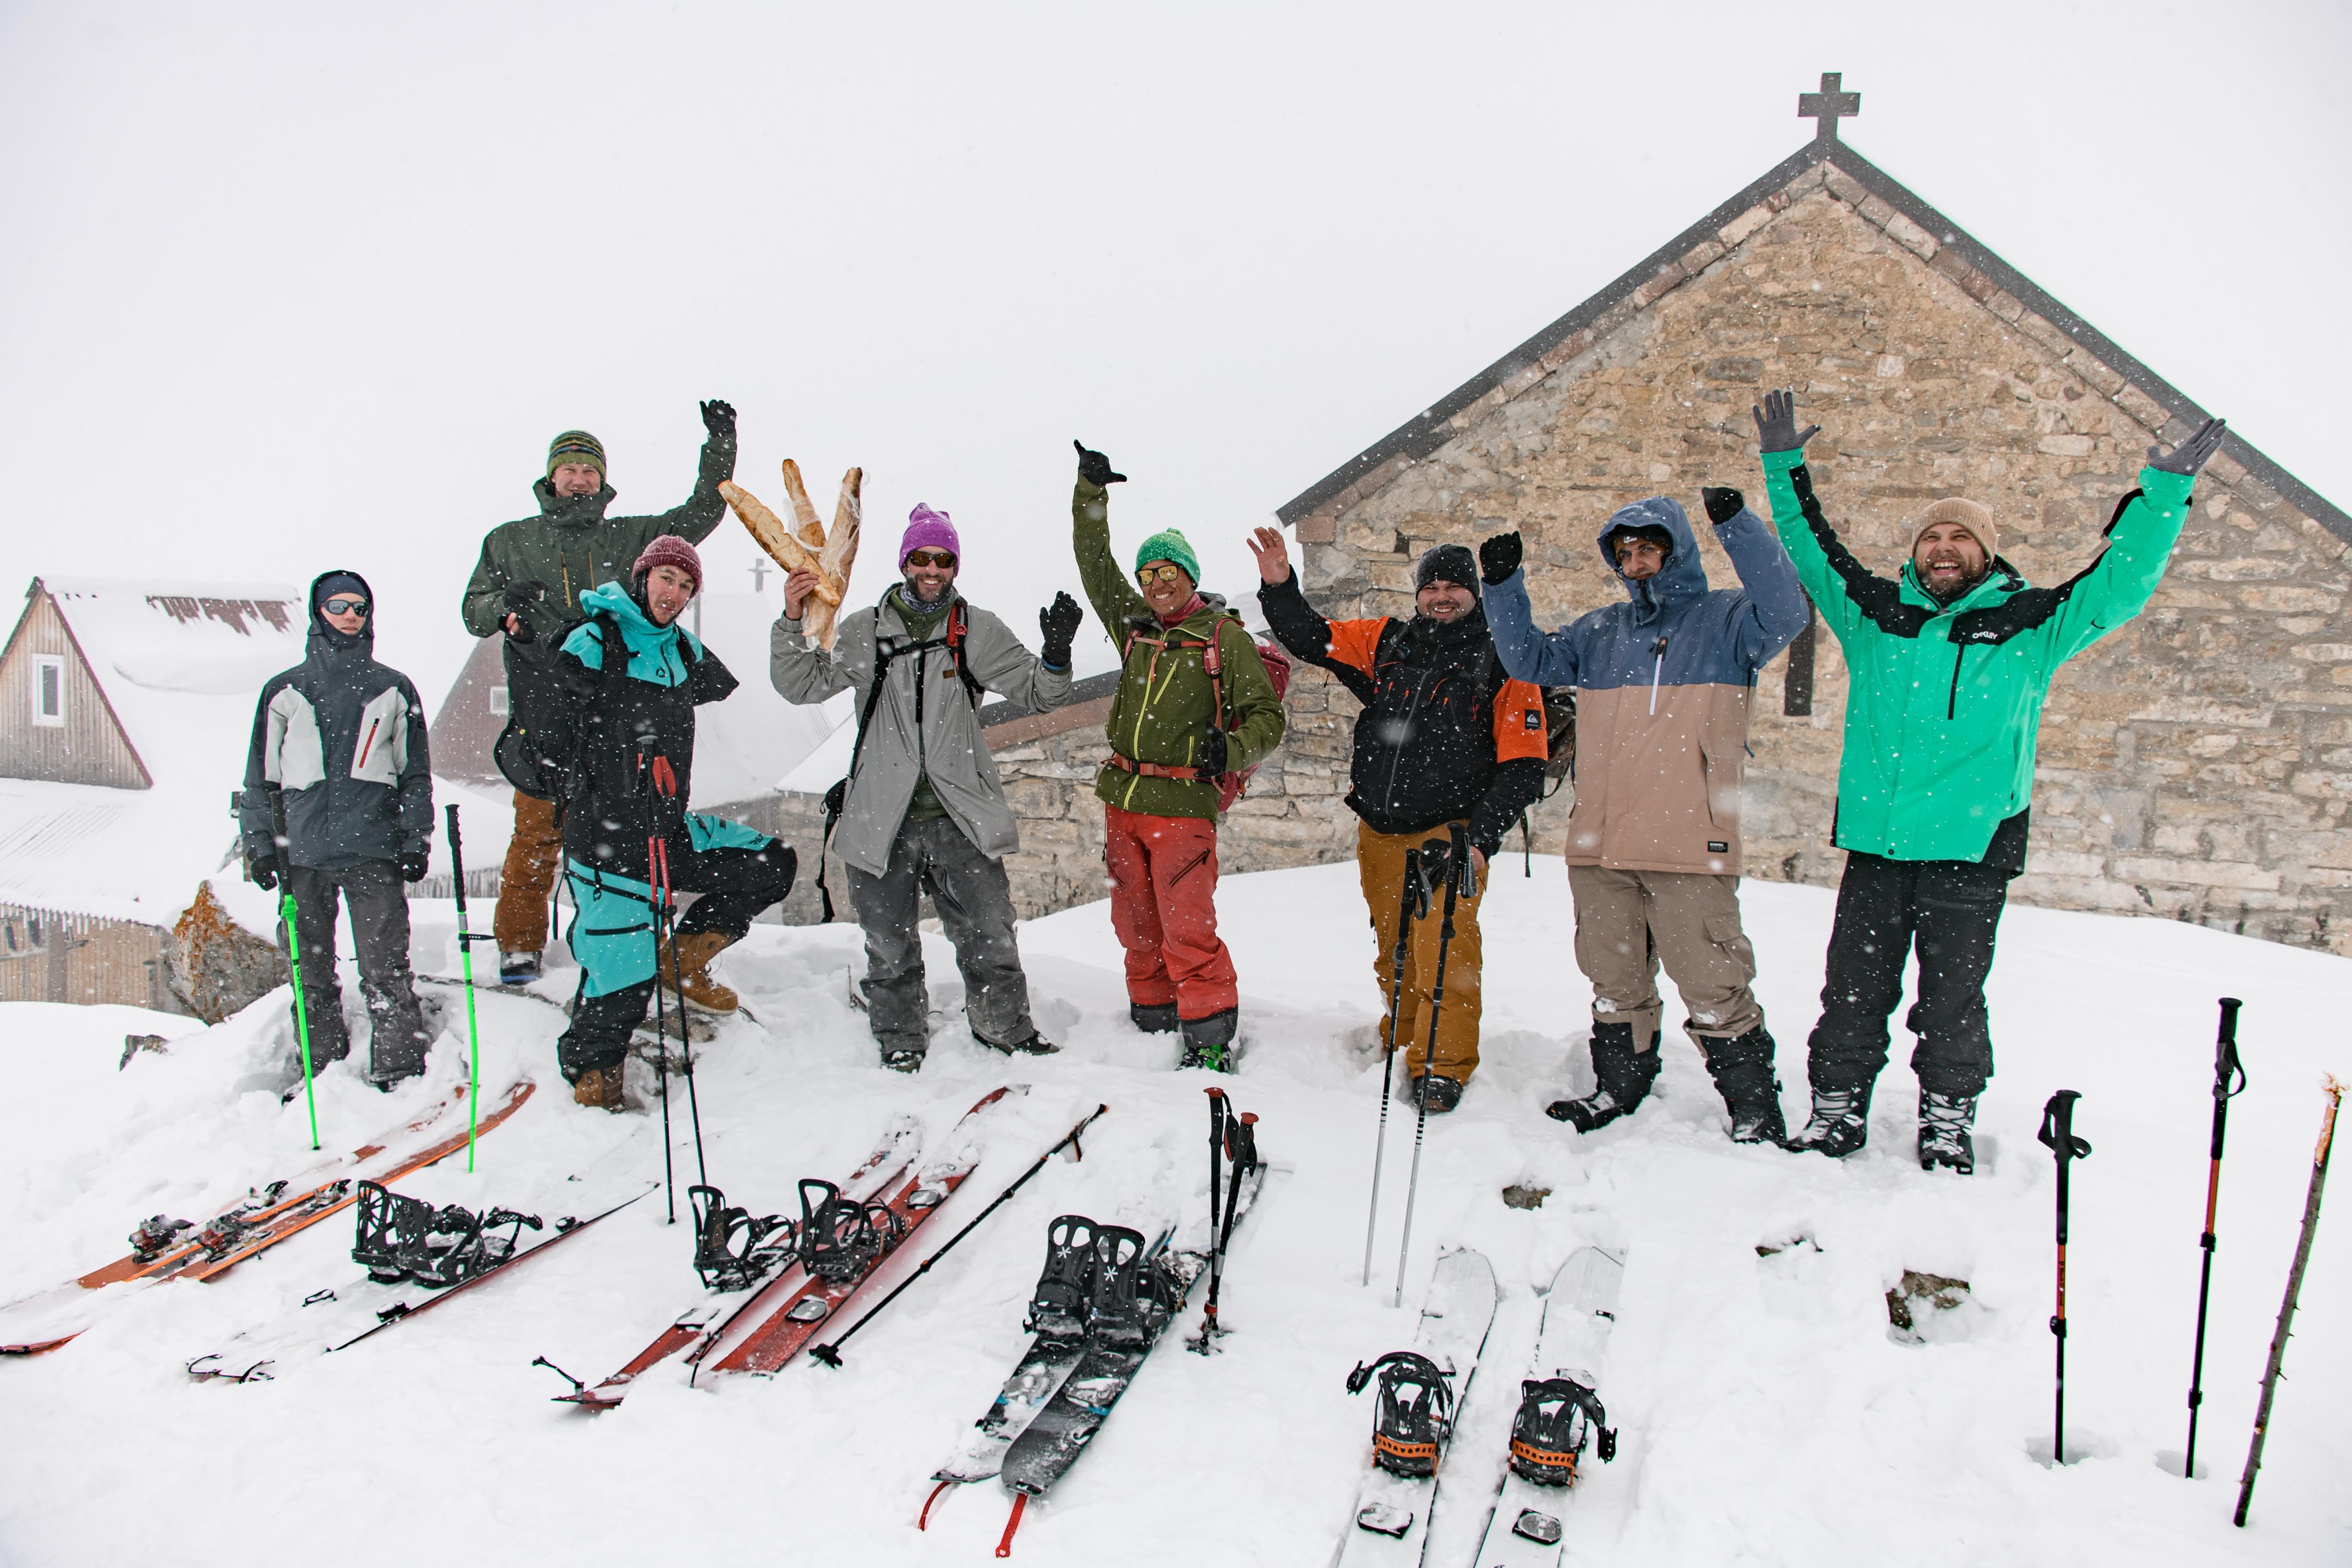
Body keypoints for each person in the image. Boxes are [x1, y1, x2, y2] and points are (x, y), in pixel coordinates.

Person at [1752, 389, 2226, 1172]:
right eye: (1931, 535)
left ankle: (1945, 1120)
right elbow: (1811, 548)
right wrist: (1782, 465)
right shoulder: (1875, 614)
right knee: (1851, 996)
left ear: (1986, 553)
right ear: (1914, 553)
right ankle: (1833, 1111)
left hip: (1969, 852)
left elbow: (2120, 584)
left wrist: (2161, 493)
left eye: (1960, 537)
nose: (1943, 546)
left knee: (1949, 1005)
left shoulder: (2030, 623)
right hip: (1875, 845)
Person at [1479, 485, 1809, 1142]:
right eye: (1623, 550)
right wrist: (1503, 586)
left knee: (1713, 980)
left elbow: (1787, 609)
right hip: (1601, 846)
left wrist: (1736, 526)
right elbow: (1527, 659)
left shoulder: (1727, 623)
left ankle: (1752, 1105)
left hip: (1689, 844)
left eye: (1647, 546)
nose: (1634, 559)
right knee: (1613, 978)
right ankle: (1616, 1087)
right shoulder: (1600, 631)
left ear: (1675, 550)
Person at [770, 505, 1084, 1071]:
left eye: (943, 559)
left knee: (990, 935)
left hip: (957, 814)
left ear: (954, 565)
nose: (932, 569)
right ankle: (899, 1036)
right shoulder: (864, 628)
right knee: (888, 944)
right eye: (921, 558)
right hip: (880, 816)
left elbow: (1042, 696)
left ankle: (1004, 1028)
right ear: (905, 562)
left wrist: (1057, 654)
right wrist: (792, 620)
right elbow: (801, 684)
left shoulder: (976, 629)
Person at [1249, 530, 1547, 1111]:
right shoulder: (1387, 641)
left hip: (1451, 831)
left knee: (1445, 949)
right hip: (1380, 829)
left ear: (1473, 593)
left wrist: (1478, 840)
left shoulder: (1505, 656)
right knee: (1395, 949)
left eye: (1454, 587)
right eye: (1431, 586)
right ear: (1417, 593)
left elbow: (1522, 766)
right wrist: (1279, 585)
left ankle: (1441, 1065)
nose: (1441, 596)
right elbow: (1312, 638)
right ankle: (1407, 1037)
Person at [459, 401, 739, 987]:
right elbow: (473, 610)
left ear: (602, 480)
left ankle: (611, 938)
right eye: (570, 469)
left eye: (590, 470)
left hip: (614, 712)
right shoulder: (510, 541)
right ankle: (517, 944)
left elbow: (700, 514)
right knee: (537, 827)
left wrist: (721, 446)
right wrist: (506, 605)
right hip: (543, 701)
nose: (580, 479)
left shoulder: (629, 534)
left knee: (615, 834)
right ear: (551, 477)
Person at [519, 535, 796, 1110]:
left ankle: (683, 961)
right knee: (621, 968)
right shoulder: (595, 640)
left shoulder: (683, 651)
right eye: (666, 578)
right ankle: (593, 1073)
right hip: (607, 840)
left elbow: (718, 691)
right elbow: (548, 726)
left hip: (668, 828)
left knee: (770, 863)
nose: (674, 593)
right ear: (643, 576)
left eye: (687, 585)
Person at [1071, 440, 1286, 1069]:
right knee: (1135, 925)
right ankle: (1153, 1020)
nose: (1157, 582)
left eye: (1168, 572)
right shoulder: (1135, 628)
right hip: (1124, 800)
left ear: (1190, 576)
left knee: (1186, 926)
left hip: (1183, 804)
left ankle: (1211, 1037)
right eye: (1148, 574)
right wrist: (1089, 497)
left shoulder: (1222, 638)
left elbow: (1267, 719)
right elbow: (1094, 567)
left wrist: (1232, 748)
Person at [239, 572, 435, 1089]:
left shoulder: (393, 688)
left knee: (386, 971)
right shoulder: (283, 691)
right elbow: (260, 779)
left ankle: (399, 1073)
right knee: (310, 975)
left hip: (373, 852)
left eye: (360, 607)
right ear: (317, 612)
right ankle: (320, 1071)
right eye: (339, 605)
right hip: (300, 856)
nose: (351, 615)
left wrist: (416, 840)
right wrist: (260, 846)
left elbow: (415, 776)